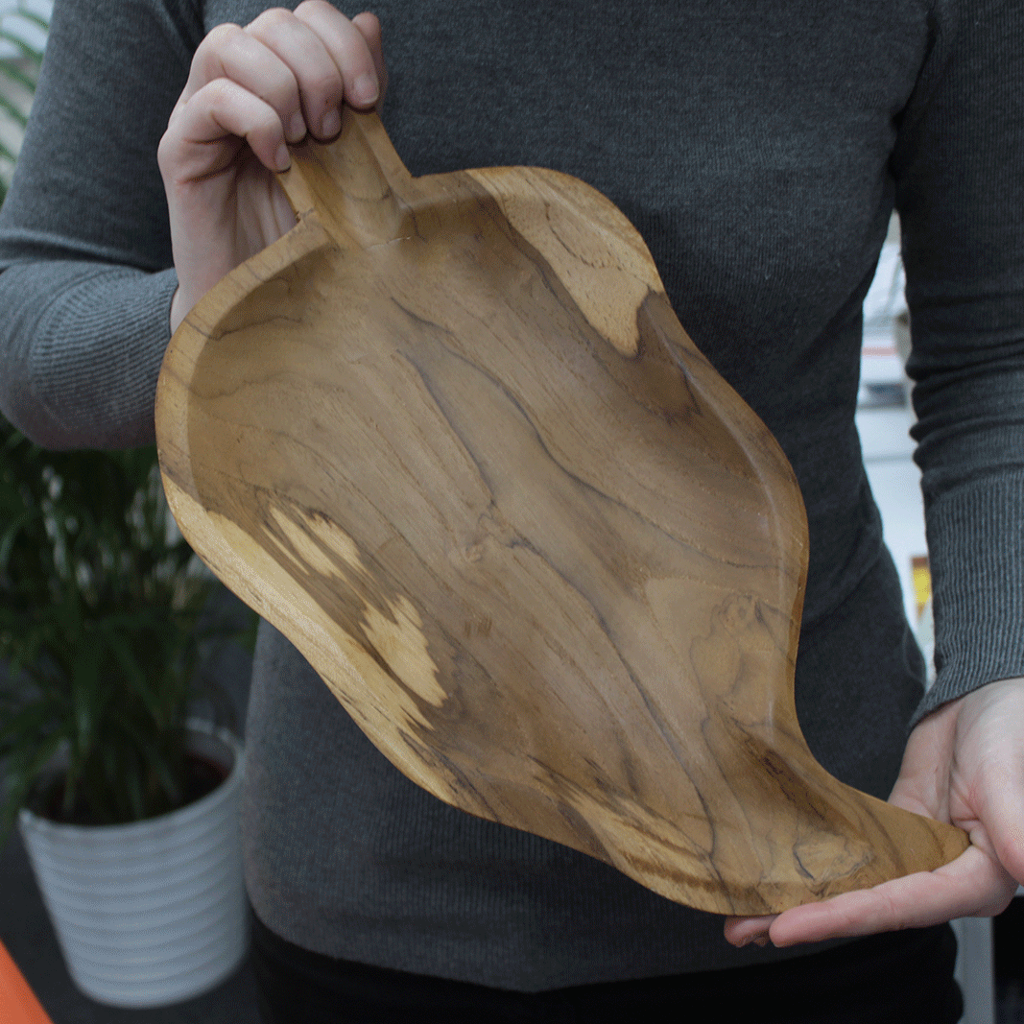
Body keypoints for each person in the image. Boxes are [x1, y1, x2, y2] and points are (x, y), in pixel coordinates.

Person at [1, 1, 1022, 1020]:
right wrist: (202, 313)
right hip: (375, 911)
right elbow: (29, 315)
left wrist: (1000, 669)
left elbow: (998, 358)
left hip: (833, 870)